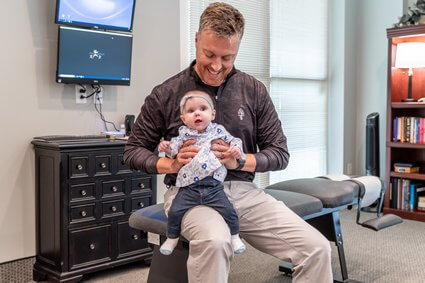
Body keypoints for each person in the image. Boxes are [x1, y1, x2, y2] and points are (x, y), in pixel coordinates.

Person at [124, 2, 332, 283]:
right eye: (209, 54)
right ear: (197, 40)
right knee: (215, 241)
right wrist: (169, 163)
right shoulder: (166, 93)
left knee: (317, 249)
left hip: (244, 192)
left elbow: (280, 153)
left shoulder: (254, 90)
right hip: (190, 194)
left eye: (227, 57)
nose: (216, 66)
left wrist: (242, 160)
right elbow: (133, 151)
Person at [158, 90, 246, 256]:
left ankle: (235, 237)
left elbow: (235, 141)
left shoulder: (218, 131)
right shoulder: (183, 134)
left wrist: (235, 150)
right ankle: (172, 238)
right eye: (191, 111)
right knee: (175, 211)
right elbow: (173, 150)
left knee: (229, 211)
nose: (197, 113)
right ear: (184, 118)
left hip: (213, 186)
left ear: (212, 114)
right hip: (189, 187)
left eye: (203, 109)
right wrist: (166, 147)